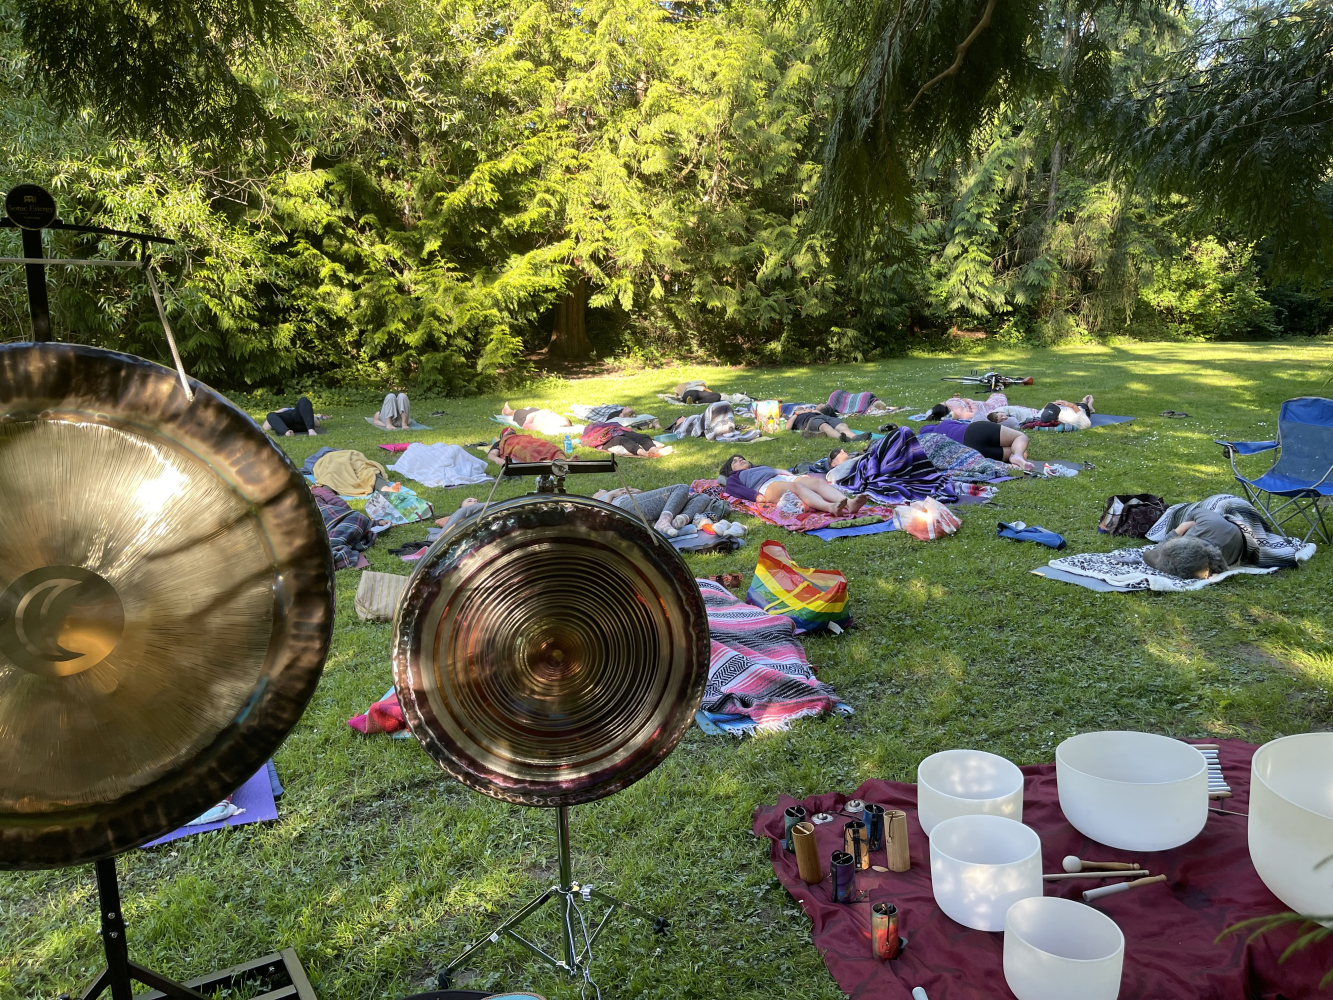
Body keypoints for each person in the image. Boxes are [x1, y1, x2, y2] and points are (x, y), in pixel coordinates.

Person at [720, 455, 868, 515]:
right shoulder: (734, 477)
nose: (740, 460)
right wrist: (755, 495)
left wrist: (793, 476)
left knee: (817, 482)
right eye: (735, 461)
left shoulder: (758, 467)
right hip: (765, 486)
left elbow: (780, 472)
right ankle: (831, 507)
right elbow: (734, 489)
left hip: (783, 478)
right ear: (730, 469)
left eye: (741, 458)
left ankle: (850, 503)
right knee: (797, 488)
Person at [919, 417, 1034, 471]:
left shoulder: (933, 446)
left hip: (972, 451)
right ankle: (1018, 455)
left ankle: (1016, 457)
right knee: (1020, 437)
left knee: (1021, 452)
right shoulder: (944, 424)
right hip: (974, 431)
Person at [987, 396, 1096, 430]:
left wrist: (1057, 404)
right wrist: (1068, 404)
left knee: (1080, 405)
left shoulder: (1003, 410)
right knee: (1083, 405)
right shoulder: (1082, 420)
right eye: (1001, 419)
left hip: (1070, 411)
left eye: (1001, 416)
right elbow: (1075, 409)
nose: (1004, 418)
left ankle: (1087, 403)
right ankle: (1088, 404)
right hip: (1080, 410)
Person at [786, 404, 872, 443]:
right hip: (810, 421)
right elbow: (787, 427)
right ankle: (841, 437)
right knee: (824, 426)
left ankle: (854, 437)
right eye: (800, 408)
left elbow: (823, 413)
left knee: (842, 425)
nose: (802, 409)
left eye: (803, 408)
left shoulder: (812, 411)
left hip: (823, 417)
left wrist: (814, 411)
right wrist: (797, 414)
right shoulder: (795, 416)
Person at [502, 402, 572, 435]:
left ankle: (508, 412)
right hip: (539, 413)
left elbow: (529, 424)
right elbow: (551, 413)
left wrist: (532, 417)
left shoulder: (552, 425)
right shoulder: (557, 418)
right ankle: (510, 411)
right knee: (531, 409)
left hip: (530, 418)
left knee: (519, 413)